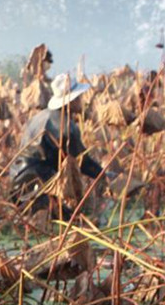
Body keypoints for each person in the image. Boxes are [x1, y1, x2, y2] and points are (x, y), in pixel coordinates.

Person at [10, 73, 111, 215]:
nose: (82, 101)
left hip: (16, 178)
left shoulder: (40, 117)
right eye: (79, 98)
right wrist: (103, 176)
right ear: (71, 101)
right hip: (40, 181)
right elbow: (82, 161)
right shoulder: (66, 125)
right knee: (70, 219)